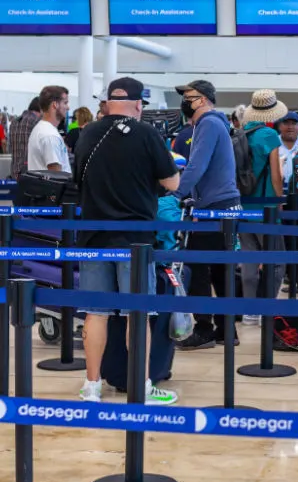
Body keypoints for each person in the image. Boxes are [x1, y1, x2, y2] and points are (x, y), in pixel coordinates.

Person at [74, 77, 180, 405]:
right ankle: (141, 387)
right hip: (134, 239)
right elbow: (172, 182)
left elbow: (78, 178)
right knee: (138, 313)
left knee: (95, 313)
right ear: (138, 104)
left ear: (108, 102)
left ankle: (92, 386)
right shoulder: (147, 134)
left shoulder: (86, 133)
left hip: (93, 235)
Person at [174, 80, 242, 350]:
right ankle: (227, 330)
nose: (185, 101)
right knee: (220, 270)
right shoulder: (216, 123)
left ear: (201, 99)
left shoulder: (209, 124)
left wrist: (176, 194)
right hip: (223, 204)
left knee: (199, 267)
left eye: (188, 96)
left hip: (214, 207)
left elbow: (196, 165)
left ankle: (203, 329)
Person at [238, 90, 286, 325]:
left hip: (243, 205)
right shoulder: (269, 135)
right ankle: (267, 307)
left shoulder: (240, 134)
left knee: (248, 259)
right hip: (266, 206)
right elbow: (276, 174)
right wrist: (280, 199)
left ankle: (249, 310)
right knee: (276, 260)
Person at [27, 85, 70, 172]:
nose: (68, 107)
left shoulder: (42, 129)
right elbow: (56, 176)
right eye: (65, 103)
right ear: (55, 105)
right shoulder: (49, 135)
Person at [9, 96, 40, 179]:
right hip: (30, 175)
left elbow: (10, 148)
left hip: (14, 173)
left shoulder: (14, 122)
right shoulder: (36, 122)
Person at [278, 112, 298, 190]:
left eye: (294, 123)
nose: (290, 127)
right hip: (277, 191)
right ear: (280, 127)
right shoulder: (273, 143)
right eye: (286, 123)